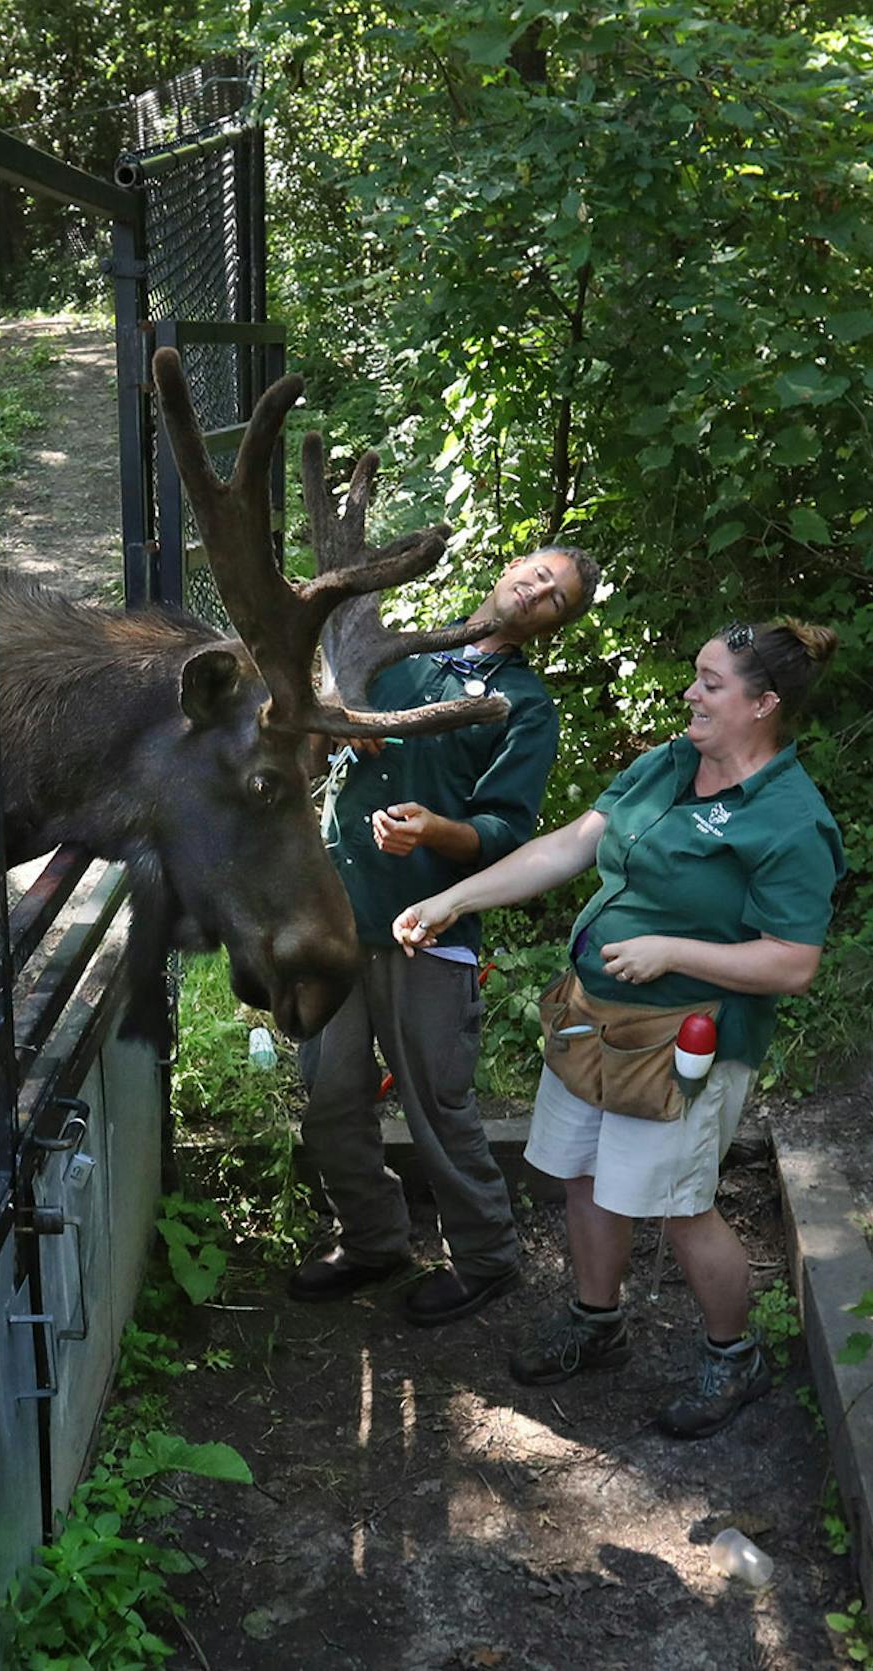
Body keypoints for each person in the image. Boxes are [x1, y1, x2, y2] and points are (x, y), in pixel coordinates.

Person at [392, 620, 843, 1437]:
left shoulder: (789, 819)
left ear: (765, 703)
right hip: (591, 1017)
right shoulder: (671, 763)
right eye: (695, 676)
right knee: (582, 1172)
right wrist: (452, 900)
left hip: (684, 1042)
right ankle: (597, 1321)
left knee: (678, 1205)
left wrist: (674, 947)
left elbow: (793, 962)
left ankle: (731, 1356)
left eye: (711, 683)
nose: (691, 694)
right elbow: (570, 845)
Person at [290, 544, 600, 1324]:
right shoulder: (405, 650)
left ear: (555, 626)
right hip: (334, 908)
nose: (535, 591)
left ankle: (487, 1256)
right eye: (535, 572)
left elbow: (504, 831)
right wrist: (340, 724)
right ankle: (370, 1239)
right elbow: (315, 723)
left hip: (428, 929)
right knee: (328, 1098)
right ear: (508, 568)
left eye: (554, 598)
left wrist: (435, 831)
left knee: (436, 1103)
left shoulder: (525, 704)